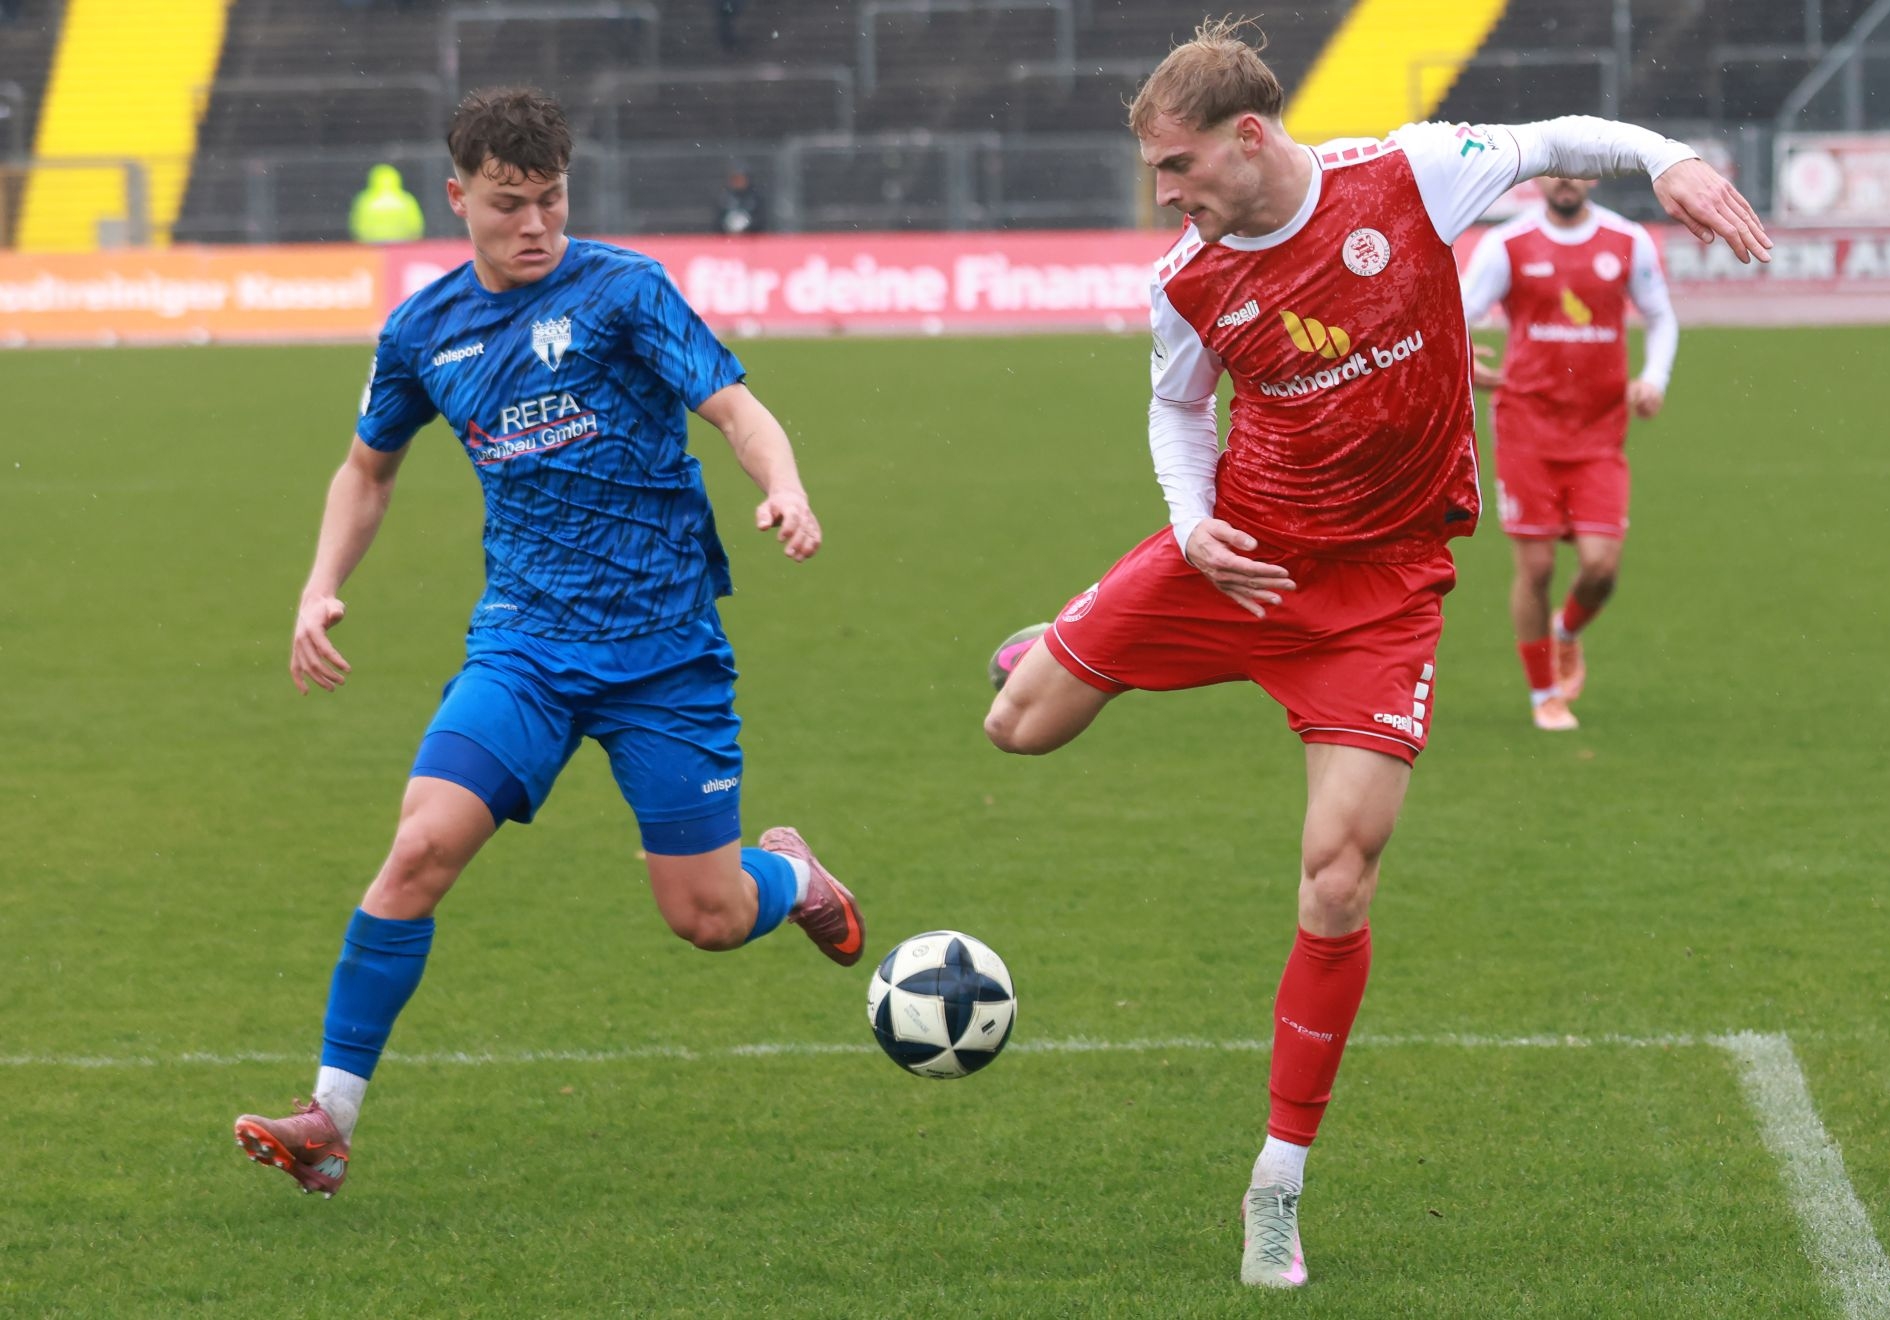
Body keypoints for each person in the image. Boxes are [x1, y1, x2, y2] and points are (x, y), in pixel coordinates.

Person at [981, 18, 1767, 1291]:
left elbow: (1560, 138)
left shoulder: (1403, 176)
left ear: (1250, 137)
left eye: (1177, 168)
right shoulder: (1187, 276)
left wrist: (1667, 158)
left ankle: (1276, 1187)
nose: (1164, 196)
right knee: (1015, 728)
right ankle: (1066, 636)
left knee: (1337, 881)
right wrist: (1192, 529)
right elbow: (1177, 410)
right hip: (1238, 559)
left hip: (1380, 595)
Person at [233, 87, 865, 1199]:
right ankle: (329, 1120)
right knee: (420, 848)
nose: (535, 225)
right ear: (459, 196)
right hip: (524, 644)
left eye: (552, 201)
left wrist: (788, 485)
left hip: (664, 650)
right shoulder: (423, 331)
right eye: (509, 203)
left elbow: (734, 408)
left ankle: (796, 876)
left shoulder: (624, 289)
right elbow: (366, 471)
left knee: (707, 917)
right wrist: (317, 587)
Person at [1460, 176, 1677, 731]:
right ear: (1540, 178)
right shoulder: (1508, 243)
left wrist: (1653, 378)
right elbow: (1455, 310)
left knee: (1602, 567)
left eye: (1575, 170)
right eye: (1554, 169)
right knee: (1536, 567)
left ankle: (1567, 633)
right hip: (1527, 425)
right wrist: (1462, 361)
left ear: (1592, 176)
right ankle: (1543, 697)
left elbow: (1660, 316)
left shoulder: (1627, 240)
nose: (1564, 180)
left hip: (1600, 431)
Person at [348, 163, 425, 244]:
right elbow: (415, 226)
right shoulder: (405, 199)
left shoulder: (364, 200)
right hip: (401, 244)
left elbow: (356, 225)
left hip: (371, 245)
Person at [715, 168, 765, 236]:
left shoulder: (755, 197)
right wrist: (729, 224)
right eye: (735, 179)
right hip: (727, 237)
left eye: (741, 179)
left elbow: (761, 219)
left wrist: (747, 225)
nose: (738, 182)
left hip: (751, 237)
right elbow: (718, 219)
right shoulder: (725, 197)